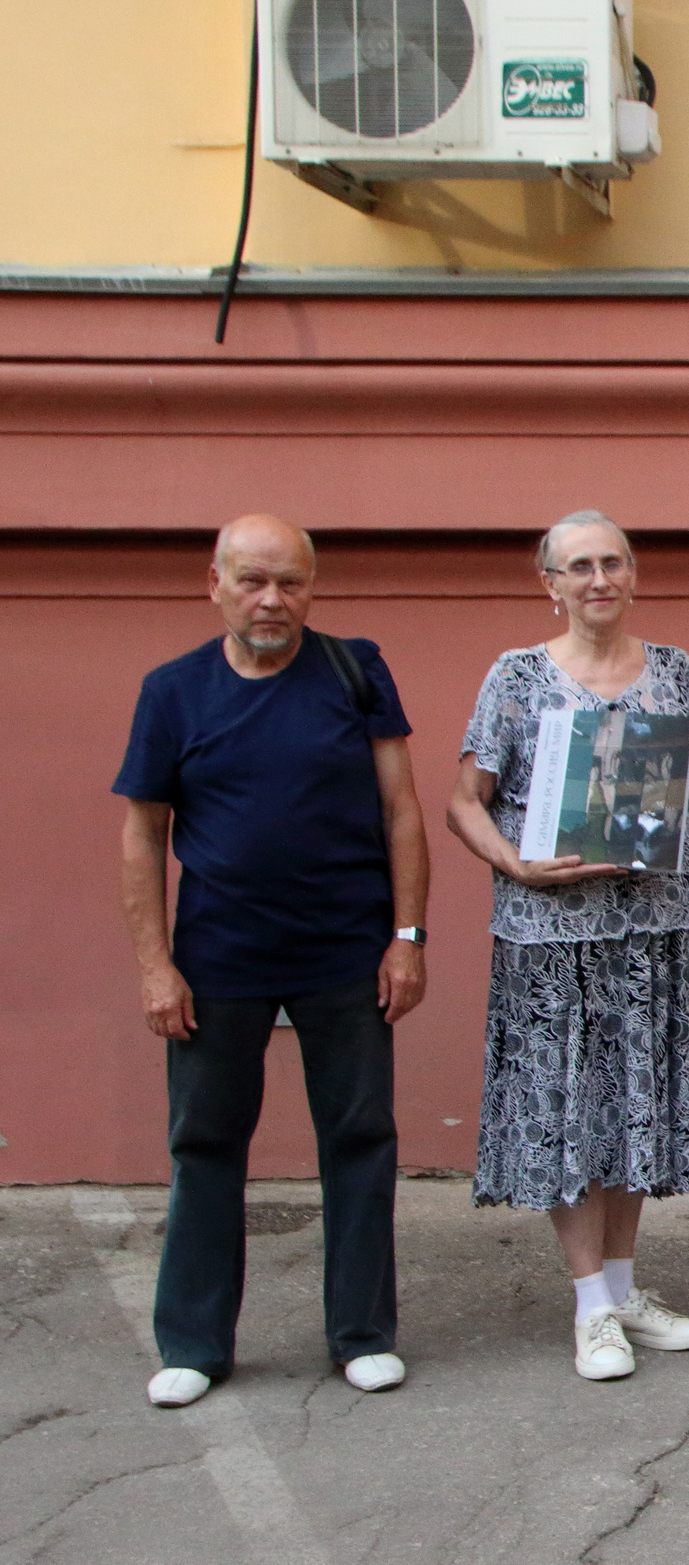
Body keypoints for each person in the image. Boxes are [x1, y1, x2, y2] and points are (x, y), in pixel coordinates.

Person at [113, 515, 428, 1408]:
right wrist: (154, 964)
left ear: (311, 588)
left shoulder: (353, 668)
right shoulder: (172, 691)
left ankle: (363, 1334)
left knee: (361, 1142)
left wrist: (407, 937)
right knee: (205, 1144)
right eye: (252, 581)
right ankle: (194, 1341)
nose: (271, 600)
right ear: (213, 582)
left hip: (347, 953)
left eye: (289, 583)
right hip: (220, 959)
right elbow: (143, 834)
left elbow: (402, 808)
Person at [447, 512, 689, 1383]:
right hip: (554, 932)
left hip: (656, 930)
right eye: (579, 567)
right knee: (568, 1111)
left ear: (634, 573)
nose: (598, 578)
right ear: (551, 584)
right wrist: (515, 864)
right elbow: (464, 800)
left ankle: (627, 1287)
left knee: (636, 1107)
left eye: (612, 562)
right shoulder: (516, 676)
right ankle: (590, 1306)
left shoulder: (674, 669)